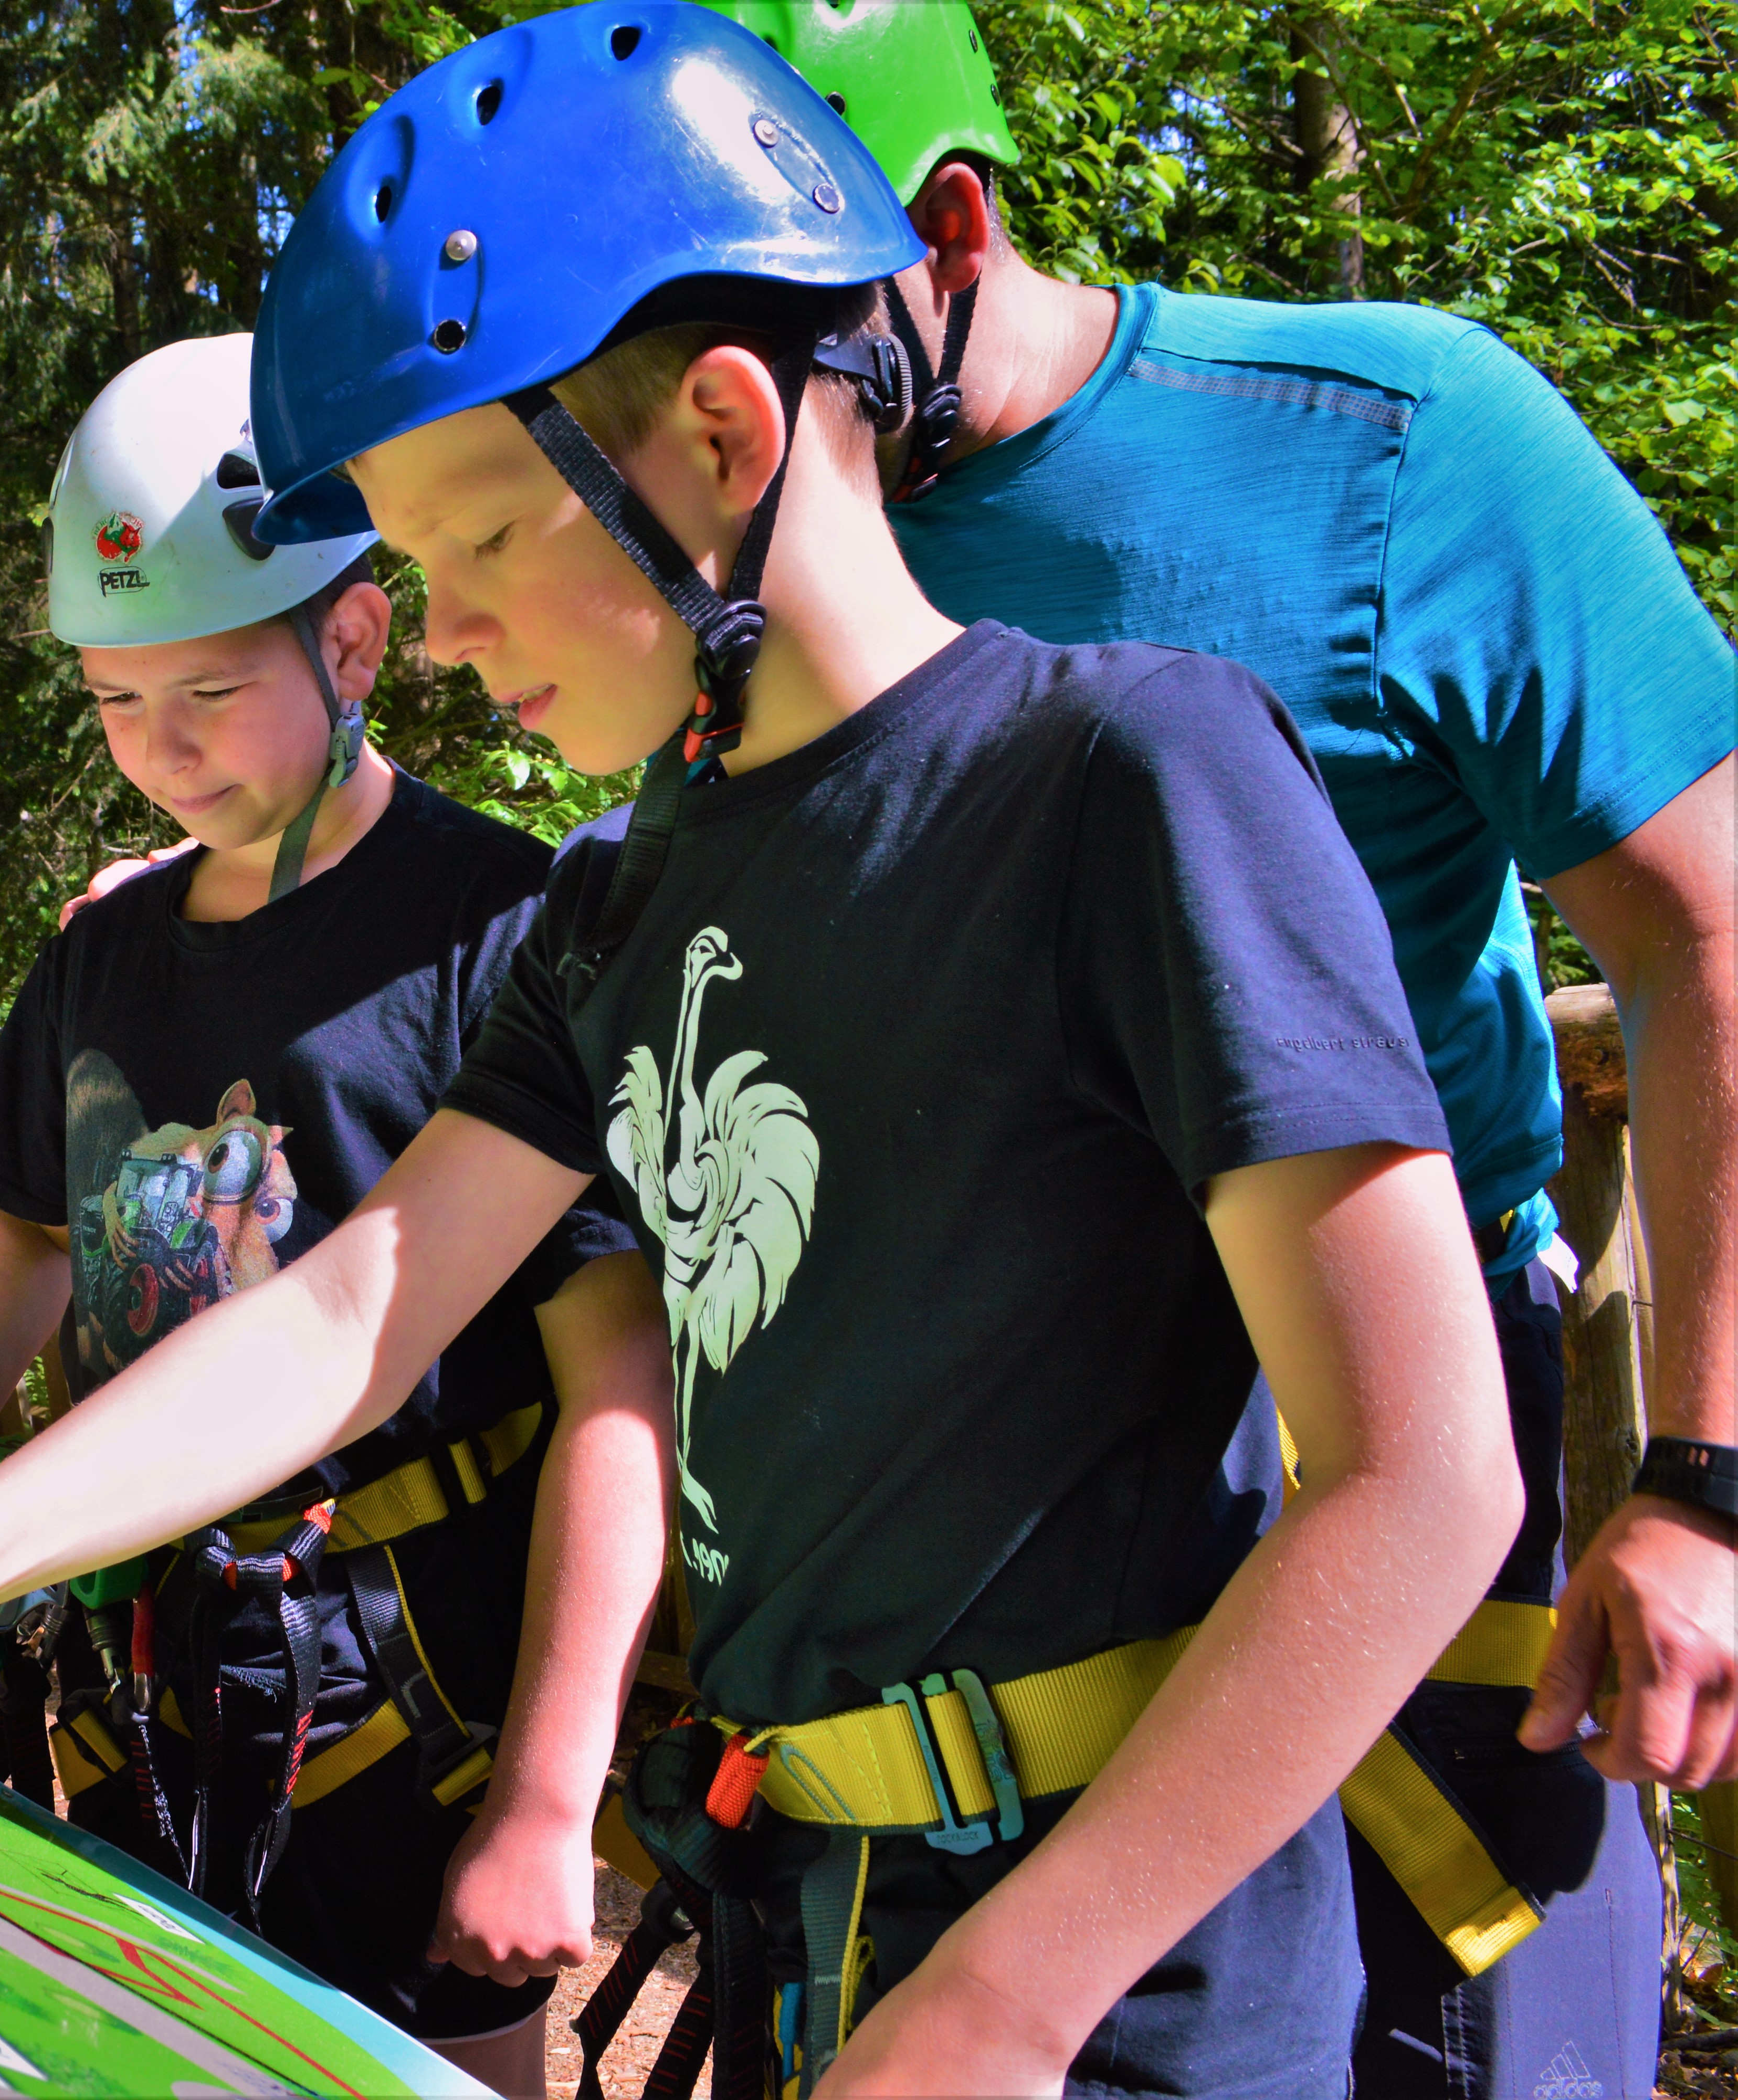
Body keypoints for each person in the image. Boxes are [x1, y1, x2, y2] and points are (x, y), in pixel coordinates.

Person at [0, 9, 1519, 2090]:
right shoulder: (624, 901)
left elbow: (1420, 1474)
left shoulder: (1127, 780)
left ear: (720, 438)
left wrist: (1012, 1991)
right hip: (801, 1939)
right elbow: (350, 1306)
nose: (440, 634)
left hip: (1111, 1998)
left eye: (470, 544)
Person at [713, 4, 1735, 2087]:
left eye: (767, 324)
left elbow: (1711, 924)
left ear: (950, 228)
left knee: (1449, 2039)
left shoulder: (1391, 441)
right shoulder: (732, 562)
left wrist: (1709, 1482)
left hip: (1397, 1416)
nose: (712, 414)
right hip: (965, 1494)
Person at [0, 332, 668, 2098]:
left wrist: (556, 1790)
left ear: (355, 637)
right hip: (135, 1679)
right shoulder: (103, 947)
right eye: (114, 702)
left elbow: (617, 1375)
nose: (161, 754)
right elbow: (17, 1228)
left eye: (209, 693)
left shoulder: (504, 931)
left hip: (412, 1701)